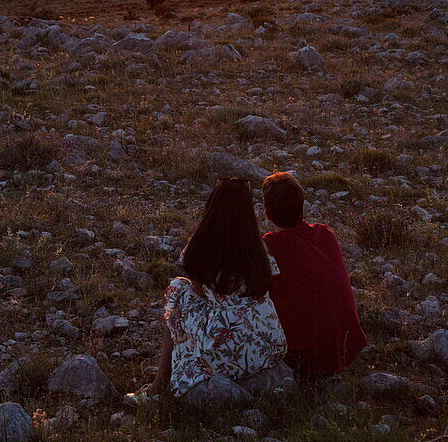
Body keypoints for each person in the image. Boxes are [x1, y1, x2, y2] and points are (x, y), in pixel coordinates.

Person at [125, 178, 291, 408]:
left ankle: (158, 385)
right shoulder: (259, 247)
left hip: (223, 351)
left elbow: (198, 291)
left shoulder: (202, 246)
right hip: (267, 345)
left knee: (178, 291)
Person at [262, 171, 367, 378]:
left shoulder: (270, 245)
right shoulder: (325, 233)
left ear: (266, 212)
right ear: (302, 204)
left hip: (302, 358)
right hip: (342, 349)